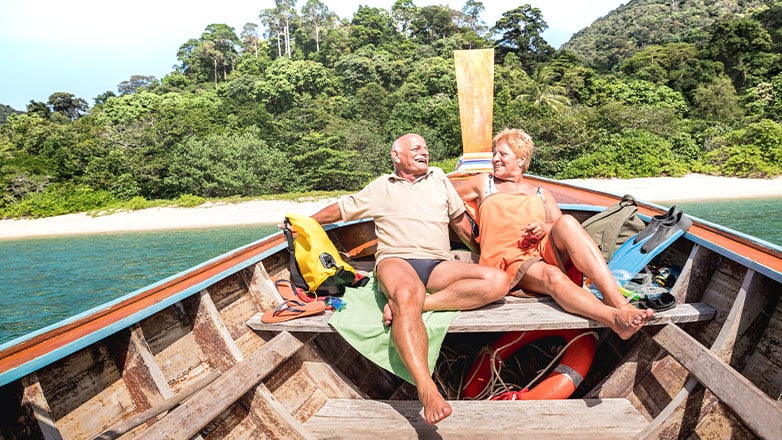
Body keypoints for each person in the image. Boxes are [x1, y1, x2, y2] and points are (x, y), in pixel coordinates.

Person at [310, 133, 510, 425]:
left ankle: (421, 305)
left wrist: (484, 254)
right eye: (416, 148)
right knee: (405, 292)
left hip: (438, 263)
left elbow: (460, 223)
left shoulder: (439, 178)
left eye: (426, 149)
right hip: (396, 260)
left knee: (498, 280)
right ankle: (427, 389)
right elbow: (341, 209)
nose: (424, 152)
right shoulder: (381, 186)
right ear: (396, 155)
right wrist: (303, 221)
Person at [452, 128, 653, 340]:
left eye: (502, 154)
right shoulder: (485, 183)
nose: (495, 159)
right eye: (495, 153)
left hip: (542, 249)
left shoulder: (541, 193)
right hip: (508, 258)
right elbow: (444, 195)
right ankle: (615, 319)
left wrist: (544, 227)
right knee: (552, 275)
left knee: (566, 221)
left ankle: (619, 303)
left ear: (521, 160)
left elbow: (559, 227)